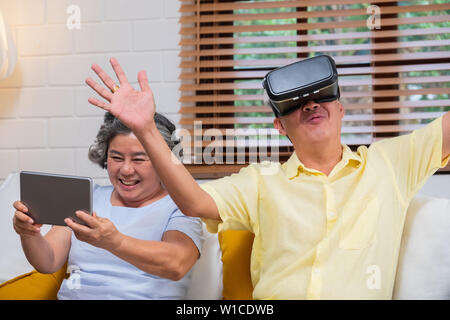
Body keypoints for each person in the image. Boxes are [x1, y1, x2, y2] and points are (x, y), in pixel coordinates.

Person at [85, 56, 450, 300]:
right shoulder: (261, 181)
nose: (309, 103)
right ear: (279, 125)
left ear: (341, 108)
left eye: (322, 95)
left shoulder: (389, 164)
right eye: (293, 102)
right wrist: (146, 129)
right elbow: (194, 202)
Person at [12, 111, 203, 300]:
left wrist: (114, 241)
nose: (126, 170)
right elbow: (48, 261)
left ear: (164, 162)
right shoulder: (87, 197)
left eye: (139, 159)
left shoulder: (181, 205)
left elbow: (176, 265)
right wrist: (28, 233)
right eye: (117, 158)